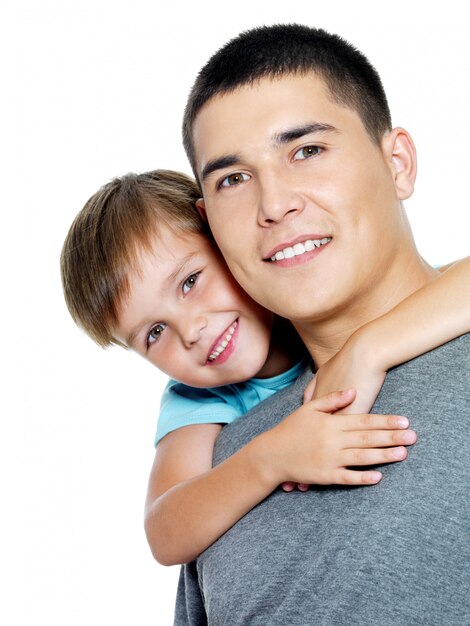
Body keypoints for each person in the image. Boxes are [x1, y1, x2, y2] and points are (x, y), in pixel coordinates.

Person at [173, 23, 470, 624]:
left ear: (398, 163)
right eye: (233, 179)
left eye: (306, 150)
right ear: (209, 223)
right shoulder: (228, 467)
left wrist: (372, 345)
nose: (274, 203)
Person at [61, 168, 470, 577]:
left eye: (189, 282)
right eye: (154, 333)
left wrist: (368, 348)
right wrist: (269, 459)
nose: (190, 331)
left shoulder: (317, 300)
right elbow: (165, 533)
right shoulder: (200, 399)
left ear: (224, 242)